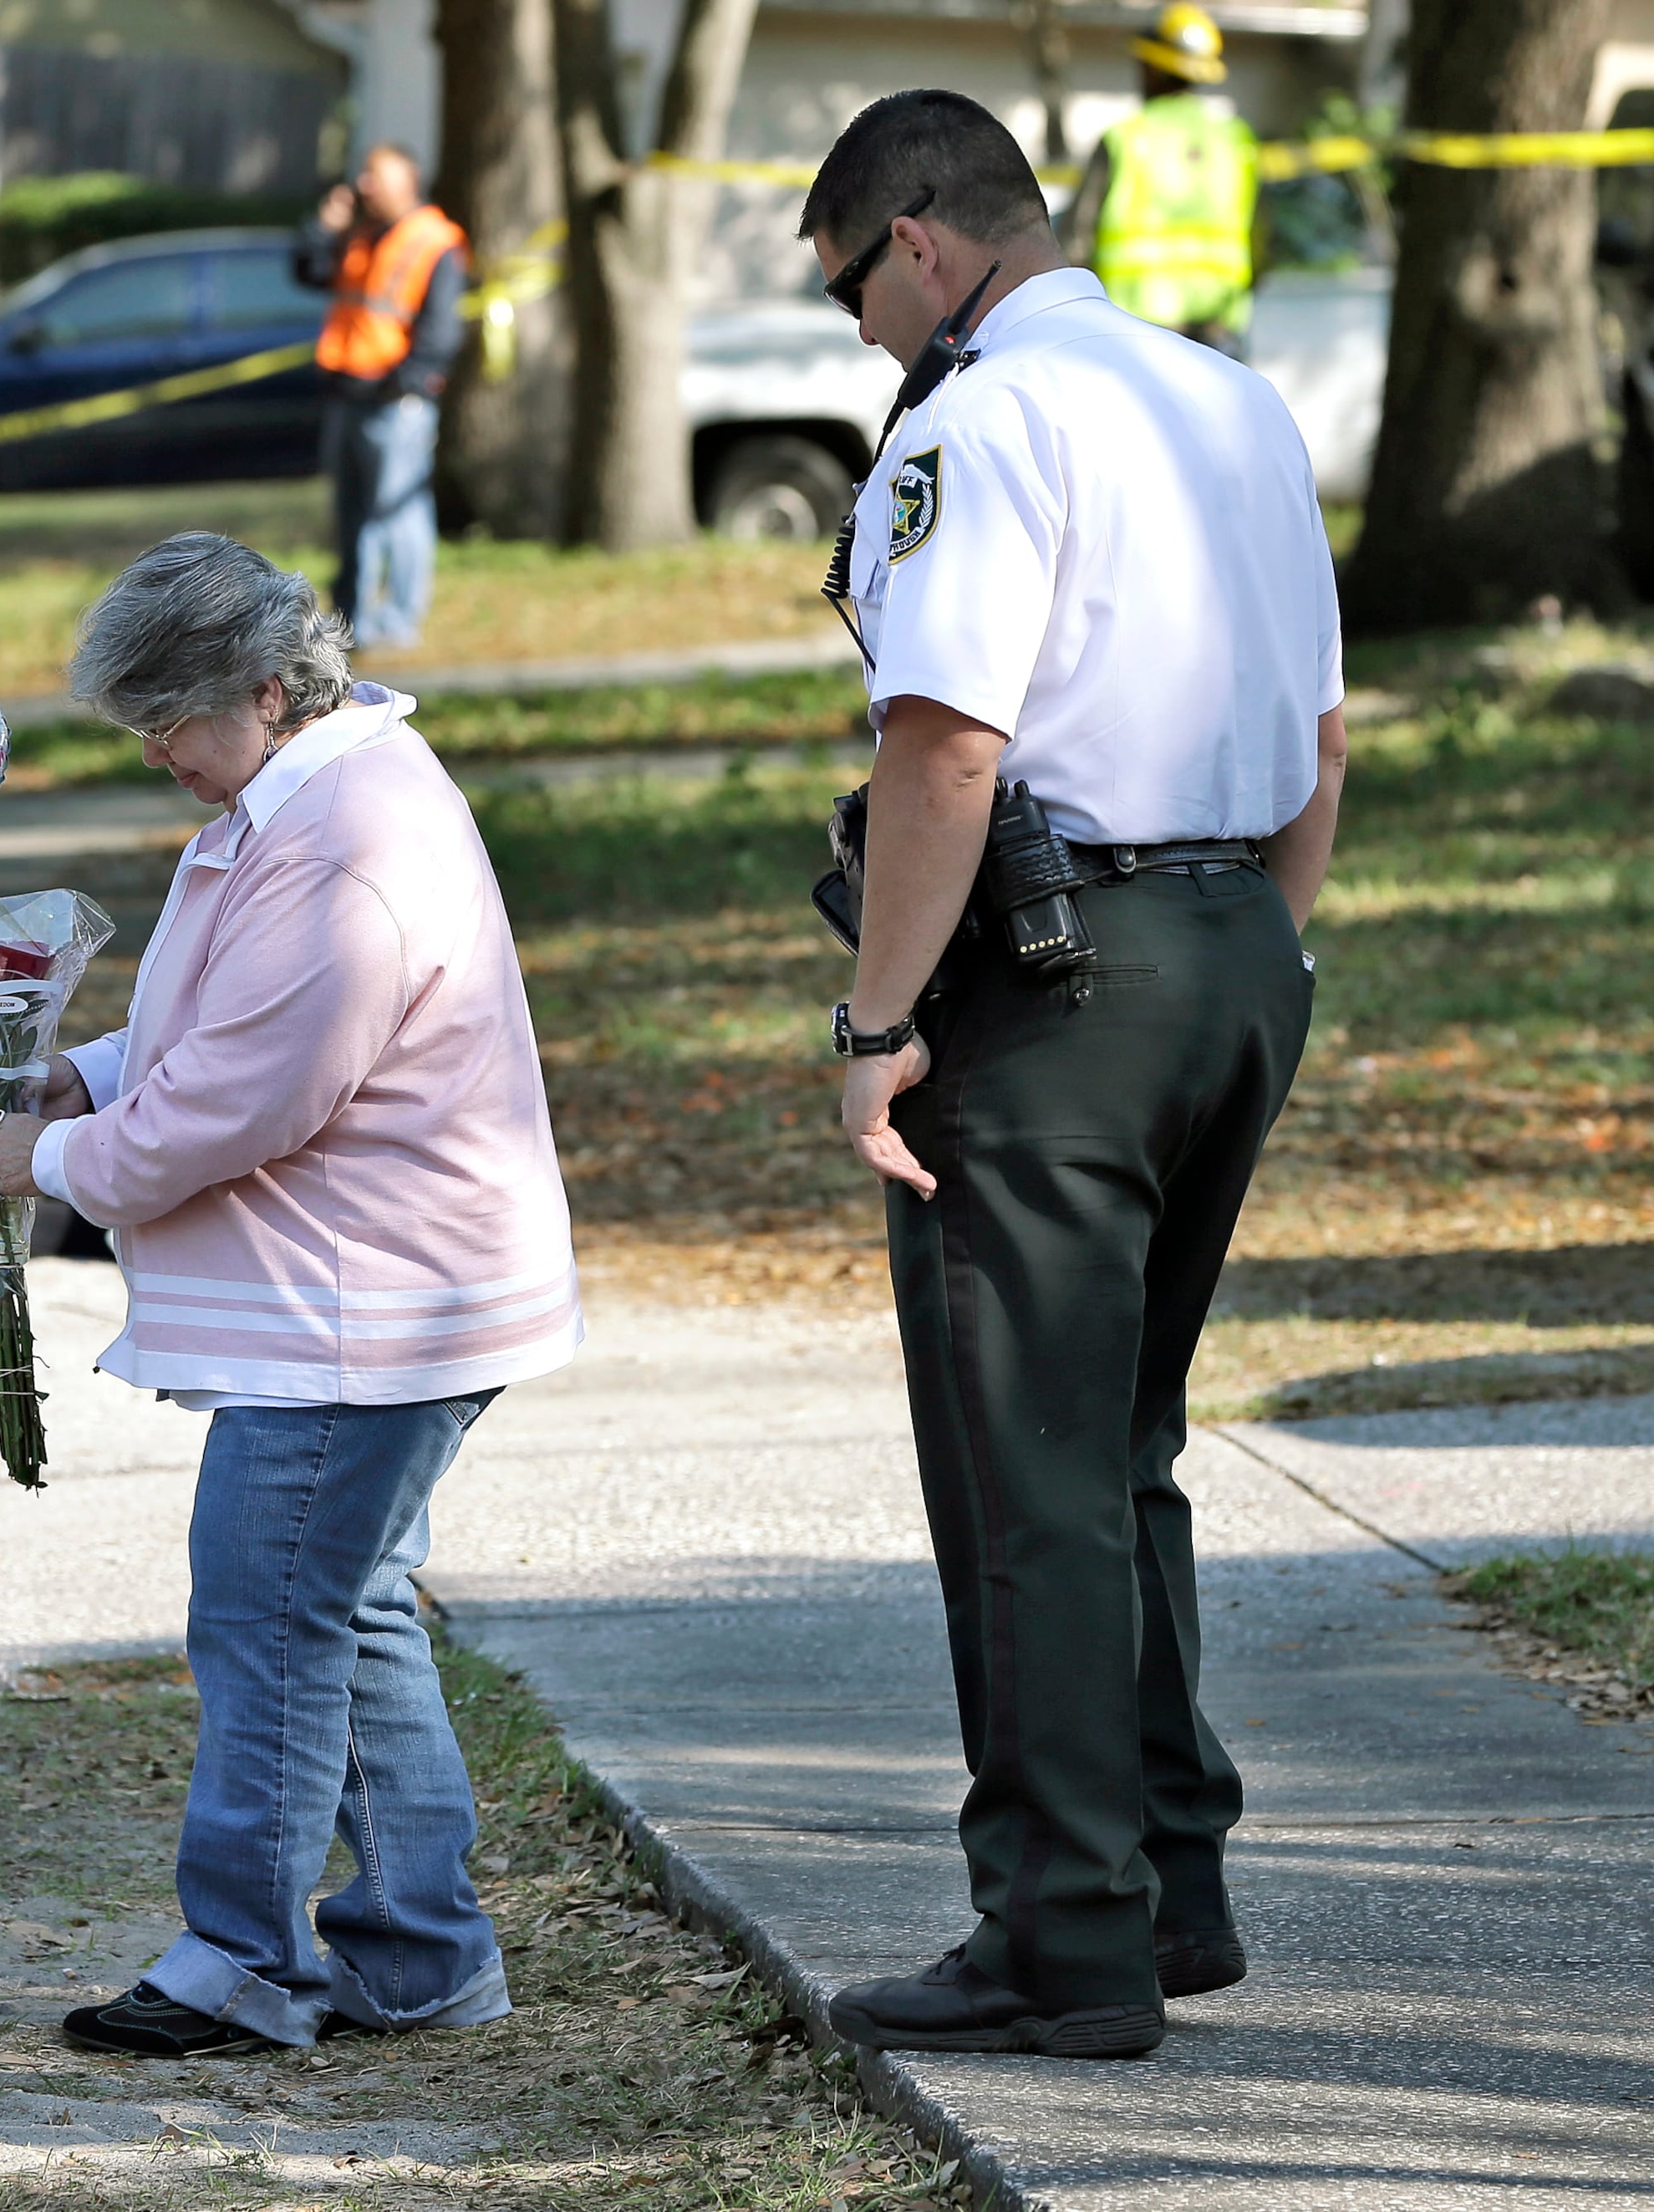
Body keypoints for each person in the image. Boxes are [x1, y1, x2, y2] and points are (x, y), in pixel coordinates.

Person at [803, 90, 1347, 2057]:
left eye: (854, 292)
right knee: (1120, 1448)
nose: (860, 335)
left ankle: (1060, 1937)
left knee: (1023, 1472)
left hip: (1056, 983)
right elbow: (1320, 730)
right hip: (1228, 949)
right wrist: (1263, 945)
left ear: (922, 246)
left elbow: (940, 748)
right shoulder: (1233, 406)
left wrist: (872, 1035)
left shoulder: (979, 419)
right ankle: (1164, 1883)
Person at [0, 533, 580, 2057]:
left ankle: (243, 1956)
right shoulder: (295, 801)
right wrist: (73, 1070)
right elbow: (205, 1009)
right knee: (342, 1613)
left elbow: (254, 1092)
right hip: (376, 1292)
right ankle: (422, 1949)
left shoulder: (348, 835)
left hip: (365, 1310)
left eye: (171, 718)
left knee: (267, 1615)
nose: (154, 750)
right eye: (137, 723)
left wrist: (57, 1155)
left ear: (271, 688)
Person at [295, 145, 468, 652]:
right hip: (348, 392)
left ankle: (396, 621)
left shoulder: (435, 240)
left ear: (407, 181)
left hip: (395, 402)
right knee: (352, 515)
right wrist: (325, 226)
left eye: (376, 176)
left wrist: (406, 383)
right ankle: (353, 619)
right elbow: (309, 271)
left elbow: (441, 329)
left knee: (395, 513)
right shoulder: (361, 234)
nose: (365, 185)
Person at [1060, 4, 1261, 352]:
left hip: (1133, 333)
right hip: (1220, 328)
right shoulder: (1236, 140)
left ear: (1151, 68)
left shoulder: (1124, 139)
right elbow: (1262, 241)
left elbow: (1075, 242)